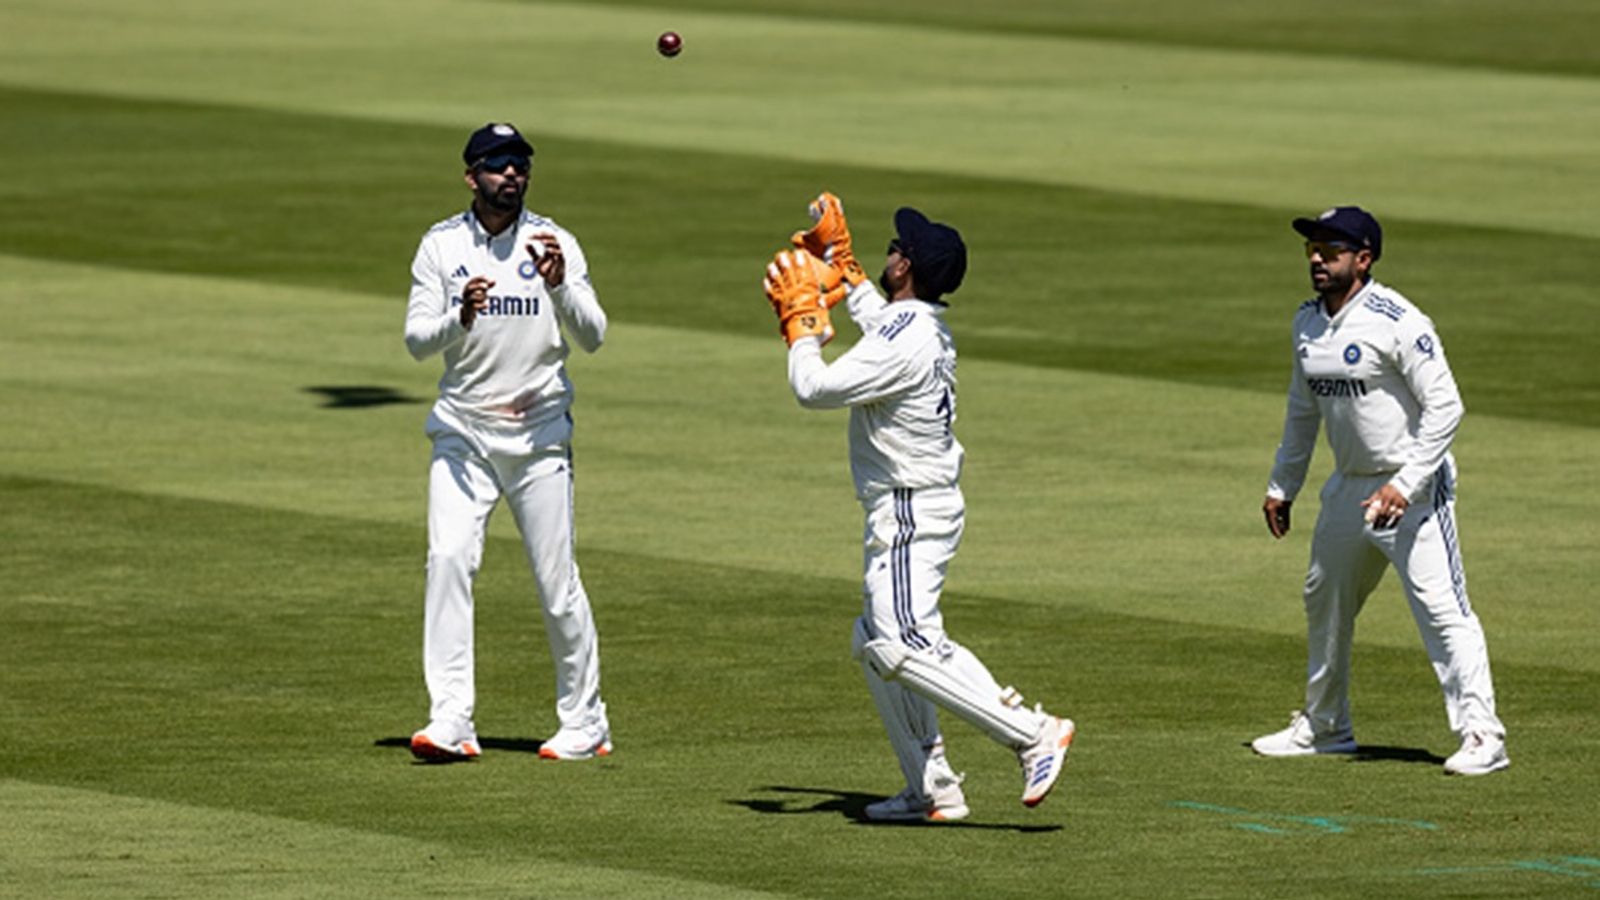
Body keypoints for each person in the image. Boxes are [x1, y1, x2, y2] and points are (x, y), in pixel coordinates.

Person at [761, 193, 1076, 821]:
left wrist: (801, 319)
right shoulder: (916, 324)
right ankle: (931, 786)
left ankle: (1032, 733)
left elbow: (812, 388)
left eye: (894, 249)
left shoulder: (906, 341)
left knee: (900, 643)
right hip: (906, 505)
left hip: (910, 509)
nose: (889, 252)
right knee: (875, 637)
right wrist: (846, 270)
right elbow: (882, 323)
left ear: (906, 267)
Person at [1254, 205, 1508, 776]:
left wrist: (1405, 483)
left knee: (1442, 611)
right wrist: (1283, 485)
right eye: (1313, 249)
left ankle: (1484, 736)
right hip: (1348, 489)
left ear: (1363, 259)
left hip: (1412, 491)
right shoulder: (1306, 322)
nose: (1317, 259)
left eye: (1331, 250)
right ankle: (1326, 727)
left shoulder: (1399, 320)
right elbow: (1302, 411)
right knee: (1324, 600)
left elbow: (1447, 406)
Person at [402, 122, 612, 762]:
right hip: (464, 434)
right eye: (497, 164)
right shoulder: (441, 246)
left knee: (556, 582)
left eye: (520, 163)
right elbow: (417, 341)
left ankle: (586, 721)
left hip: (539, 435)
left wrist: (560, 284)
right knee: (447, 561)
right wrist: (459, 316)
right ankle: (451, 719)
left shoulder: (554, 242)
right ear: (472, 177)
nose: (512, 173)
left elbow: (594, 335)